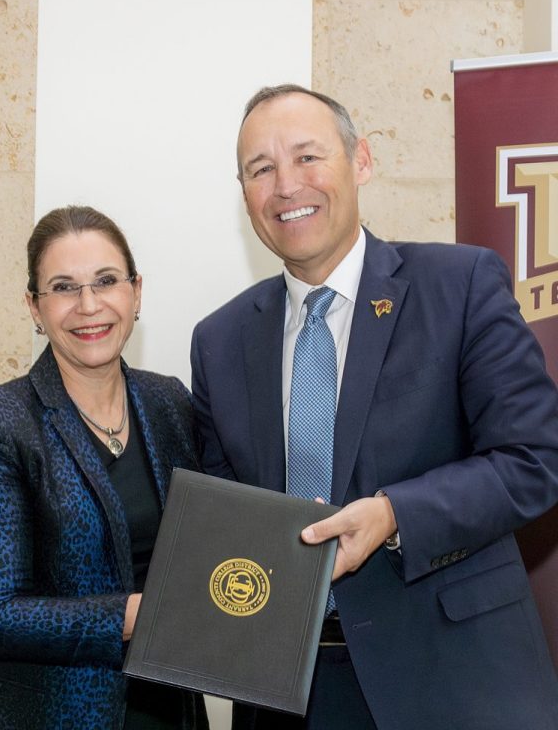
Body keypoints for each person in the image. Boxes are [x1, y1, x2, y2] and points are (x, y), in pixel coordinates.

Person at [190, 84, 558, 729]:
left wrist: (395, 514)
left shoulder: (460, 284)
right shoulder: (219, 341)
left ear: (361, 160)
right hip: (284, 693)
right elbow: (226, 513)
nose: (286, 185)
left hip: (452, 679)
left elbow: (536, 459)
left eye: (308, 157)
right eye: (260, 169)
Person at [0, 206, 208, 729]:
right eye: (64, 287)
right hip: (40, 714)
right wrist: (133, 616)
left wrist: (290, 534)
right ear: (34, 308)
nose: (89, 305)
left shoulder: (168, 402)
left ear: (136, 291)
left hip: (165, 709)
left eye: (106, 281)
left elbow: (208, 532)